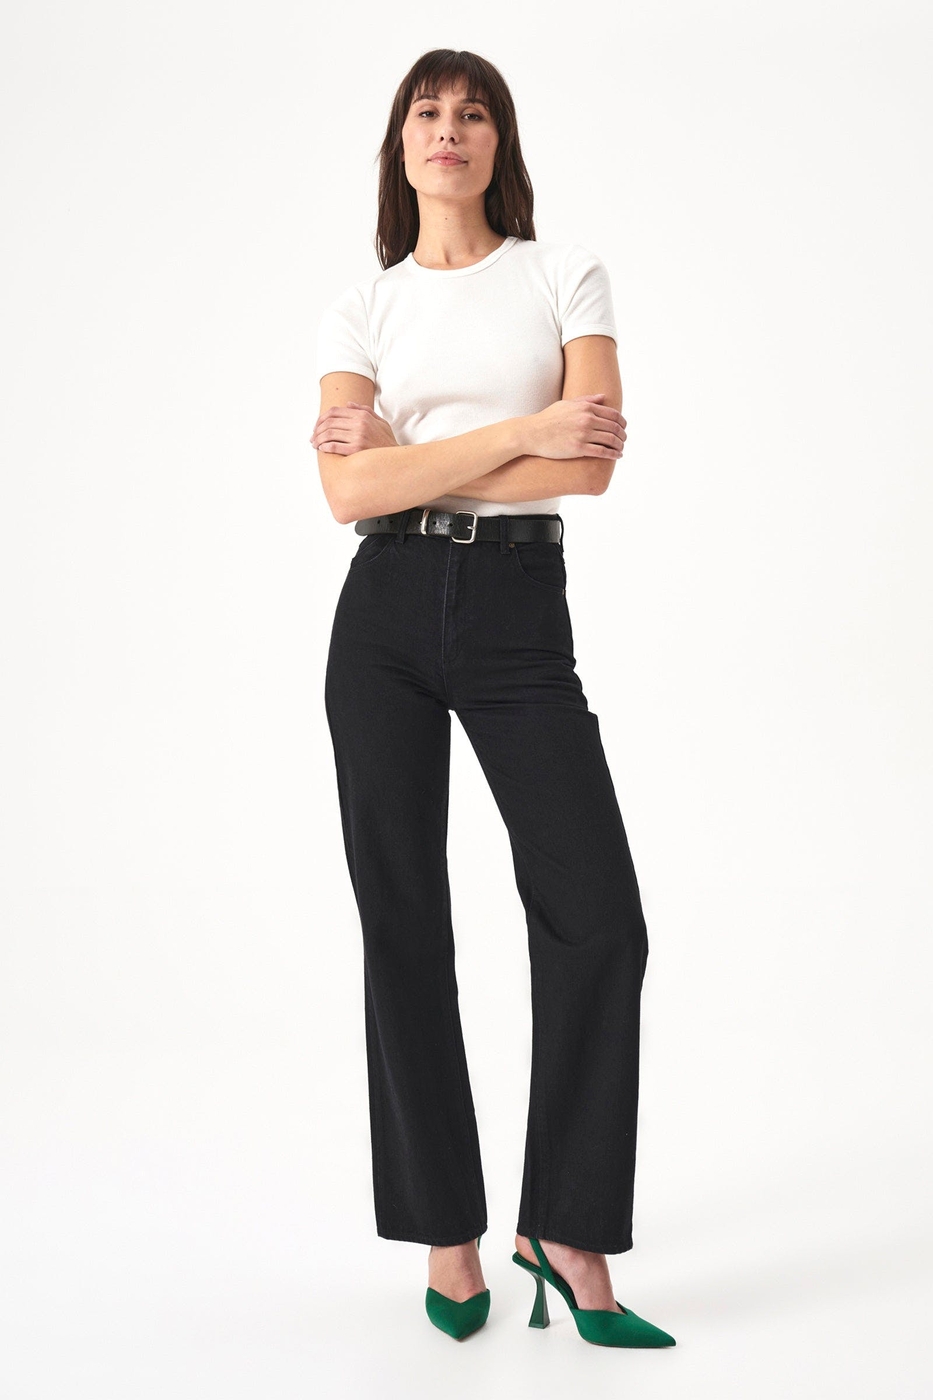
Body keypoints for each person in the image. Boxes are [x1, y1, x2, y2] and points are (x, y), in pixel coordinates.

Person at [312, 49, 675, 1349]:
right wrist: (522, 431)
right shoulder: (363, 305)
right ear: (400, 146)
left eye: (473, 113)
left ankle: (563, 1228)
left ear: (498, 141)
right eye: (427, 112)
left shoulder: (562, 274)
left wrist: (415, 455)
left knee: (598, 918)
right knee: (404, 922)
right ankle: (449, 1237)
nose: (449, 130)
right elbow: (347, 495)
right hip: (383, 618)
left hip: (520, 614)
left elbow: (592, 464)